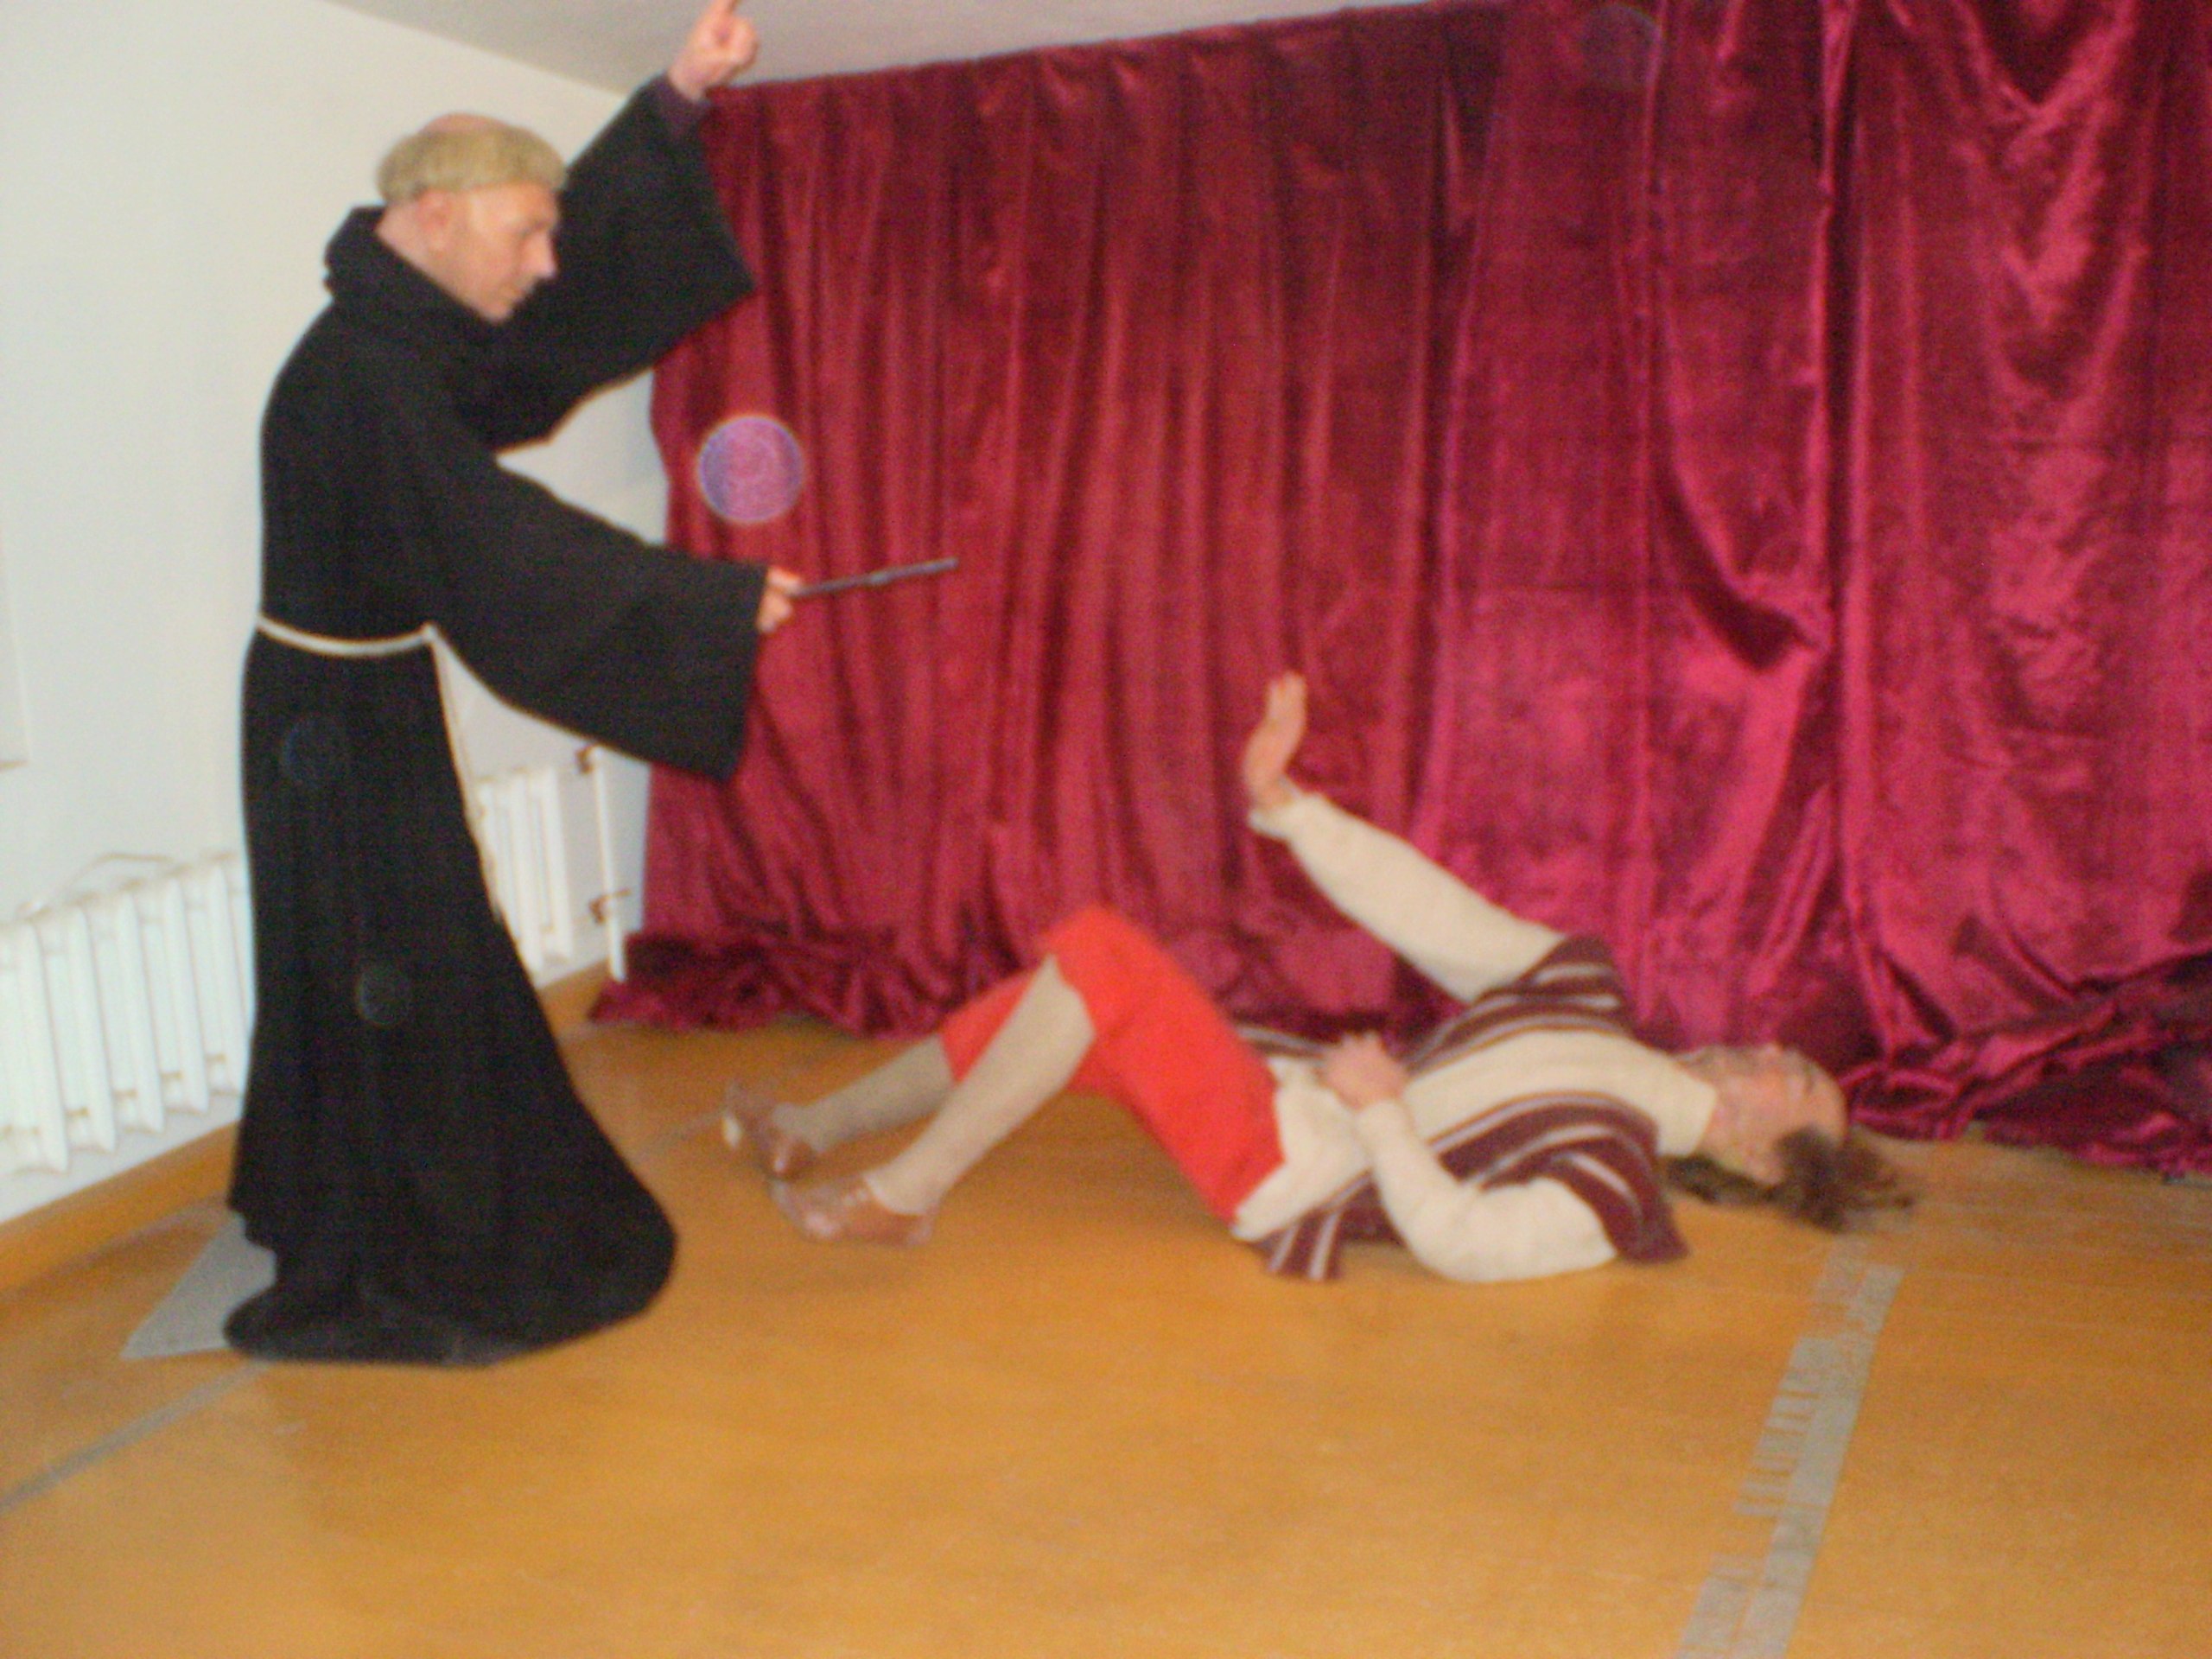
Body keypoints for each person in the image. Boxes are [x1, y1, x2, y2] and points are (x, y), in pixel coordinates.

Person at [227, 0, 798, 1364]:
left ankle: (360, 1202)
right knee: (394, 968)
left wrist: (675, 96)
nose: (549, 265)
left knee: (403, 961)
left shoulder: (406, 331)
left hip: (354, 704)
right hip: (325, 724)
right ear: (433, 215)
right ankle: (399, 1237)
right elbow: (490, 535)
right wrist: (707, 602)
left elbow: (541, 337)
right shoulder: (366, 370)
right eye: (525, 234)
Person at [728, 674, 1906, 1282]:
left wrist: (1385, 1115)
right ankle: (808, 1130)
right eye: (1788, 1054)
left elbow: (1462, 1242)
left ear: (1759, 1160)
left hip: (1289, 1171)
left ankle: (910, 1192)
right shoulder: (1589, 996)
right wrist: (1292, 810)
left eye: (1790, 1084)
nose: (1767, 1053)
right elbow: (1432, 911)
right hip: (1282, 1098)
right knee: (1050, 1010)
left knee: (1103, 954)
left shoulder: (1613, 1188)